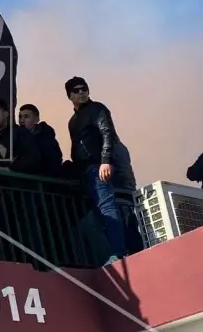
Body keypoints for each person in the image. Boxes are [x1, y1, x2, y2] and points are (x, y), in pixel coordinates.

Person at [65, 76, 136, 264]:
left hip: (99, 167)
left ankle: (118, 253)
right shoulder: (73, 121)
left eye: (84, 89)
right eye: (77, 90)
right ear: (70, 95)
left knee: (108, 207)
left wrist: (105, 161)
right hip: (87, 171)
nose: (82, 92)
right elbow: (76, 147)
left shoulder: (97, 109)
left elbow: (107, 133)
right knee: (91, 220)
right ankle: (109, 255)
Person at [18, 104, 65, 177]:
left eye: (26, 117)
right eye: (20, 117)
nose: (22, 120)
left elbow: (54, 162)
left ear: (36, 119)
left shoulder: (46, 139)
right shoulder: (17, 137)